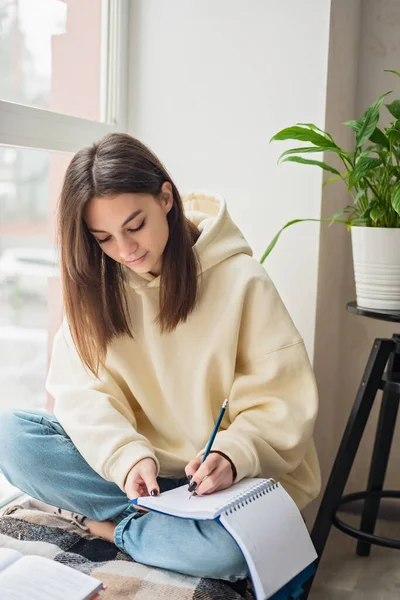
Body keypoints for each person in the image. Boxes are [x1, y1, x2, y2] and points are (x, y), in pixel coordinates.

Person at [0, 133, 320, 582]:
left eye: (135, 226)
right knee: (11, 434)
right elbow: (81, 394)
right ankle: (155, 528)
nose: (125, 249)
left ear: (166, 198)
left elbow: (280, 400)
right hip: (141, 480)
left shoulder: (241, 280)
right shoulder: (99, 288)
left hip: (224, 479)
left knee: (229, 554)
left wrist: (231, 455)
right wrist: (127, 458)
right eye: (104, 238)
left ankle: (111, 531)